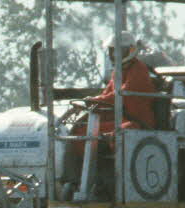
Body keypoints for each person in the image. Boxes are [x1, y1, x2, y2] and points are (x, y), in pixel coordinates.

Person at [58, 33, 160, 197]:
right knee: (80, 132)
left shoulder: (138, 69)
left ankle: (110, 184)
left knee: (118, 134)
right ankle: (74, 180)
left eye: (119, 51)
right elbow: (107, 94)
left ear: (131, 50)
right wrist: (93, 101)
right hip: (120, 119)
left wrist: (95, 100)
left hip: (138, 122)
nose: (115, 55)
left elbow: (122, 95)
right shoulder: (117, 72)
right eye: (113, 51)